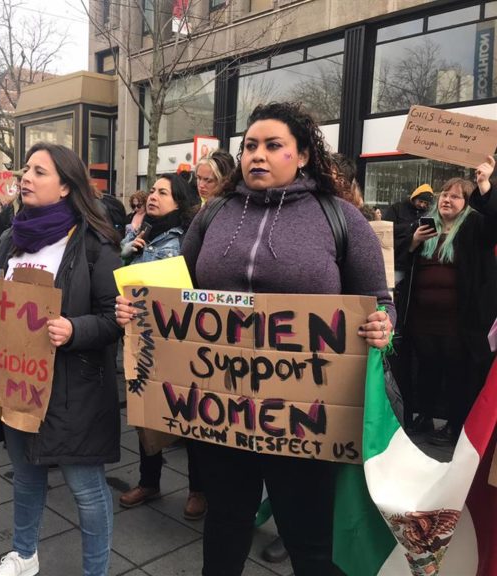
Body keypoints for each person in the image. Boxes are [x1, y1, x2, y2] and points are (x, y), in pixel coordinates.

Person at [116, 102, 393, 576]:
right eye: (249, 146)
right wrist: (137, 311)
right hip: (223, 412)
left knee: (307, 536)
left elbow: (379, 300)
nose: (257, 155)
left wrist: (382, 325)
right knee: (225, 522)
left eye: (273, 146)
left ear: (302, 154)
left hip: (305, 417)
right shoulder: (216, 213)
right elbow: (176, 289)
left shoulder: (341, 219)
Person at [0, 142, 122, 576]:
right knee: (25, 475)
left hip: (72, 389)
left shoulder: (95, 244)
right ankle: (23, 555)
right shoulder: (11, 238)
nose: (25, 177)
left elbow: (113, 319)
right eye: (26, 169)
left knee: (86, 489)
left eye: (39, 171)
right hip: (17, 382)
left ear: (65, 187)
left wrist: (74, 329)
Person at [117, 174, 206, 519]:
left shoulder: (186, 239)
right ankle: (149, 481)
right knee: (147, 411)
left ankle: (198, 489)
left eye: (162, 192)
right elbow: (122, 280)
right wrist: (125, 255)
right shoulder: (138, 232)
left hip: (179, 338)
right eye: (152, 190)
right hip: (143, 337)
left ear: (179, 201)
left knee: (189, 414)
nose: (153, 196)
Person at [398, 172, 497, 445]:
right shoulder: (425, 225)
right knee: (427, 369)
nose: (447, 200)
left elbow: (494, 224)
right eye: (444, 194)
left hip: (459, 321)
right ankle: (425, 415)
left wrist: (485, 186)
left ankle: (455, 425)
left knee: (457, 374)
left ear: (466, 203)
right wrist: (414, 241)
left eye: (455, 196)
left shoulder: (475, 227)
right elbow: (399, 258)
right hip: (422, 319)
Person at [383, 183, 434, 288]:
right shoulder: (396, 208)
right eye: (421, 201)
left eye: (426, 203)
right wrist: (411, 227)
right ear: (414, 198)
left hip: (414, 264)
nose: (423, 205)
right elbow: (386, 229)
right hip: (395, 259)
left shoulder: (427, 214)